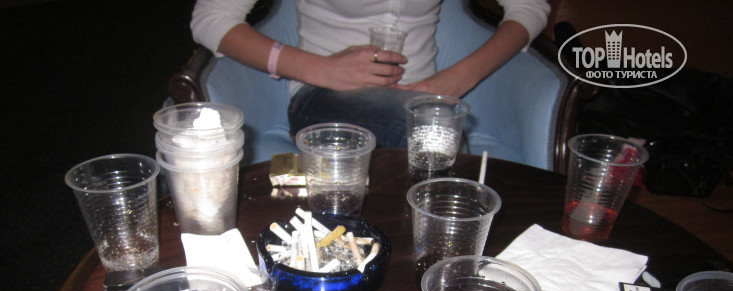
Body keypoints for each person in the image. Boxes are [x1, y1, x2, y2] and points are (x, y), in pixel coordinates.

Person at [191, 0, 551, 148]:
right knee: (433, 134)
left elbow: (530, 7)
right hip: (323, 96)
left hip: (427, 100)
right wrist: (323, 69)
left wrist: (456, 79)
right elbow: (211, 18)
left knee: (433, 128)